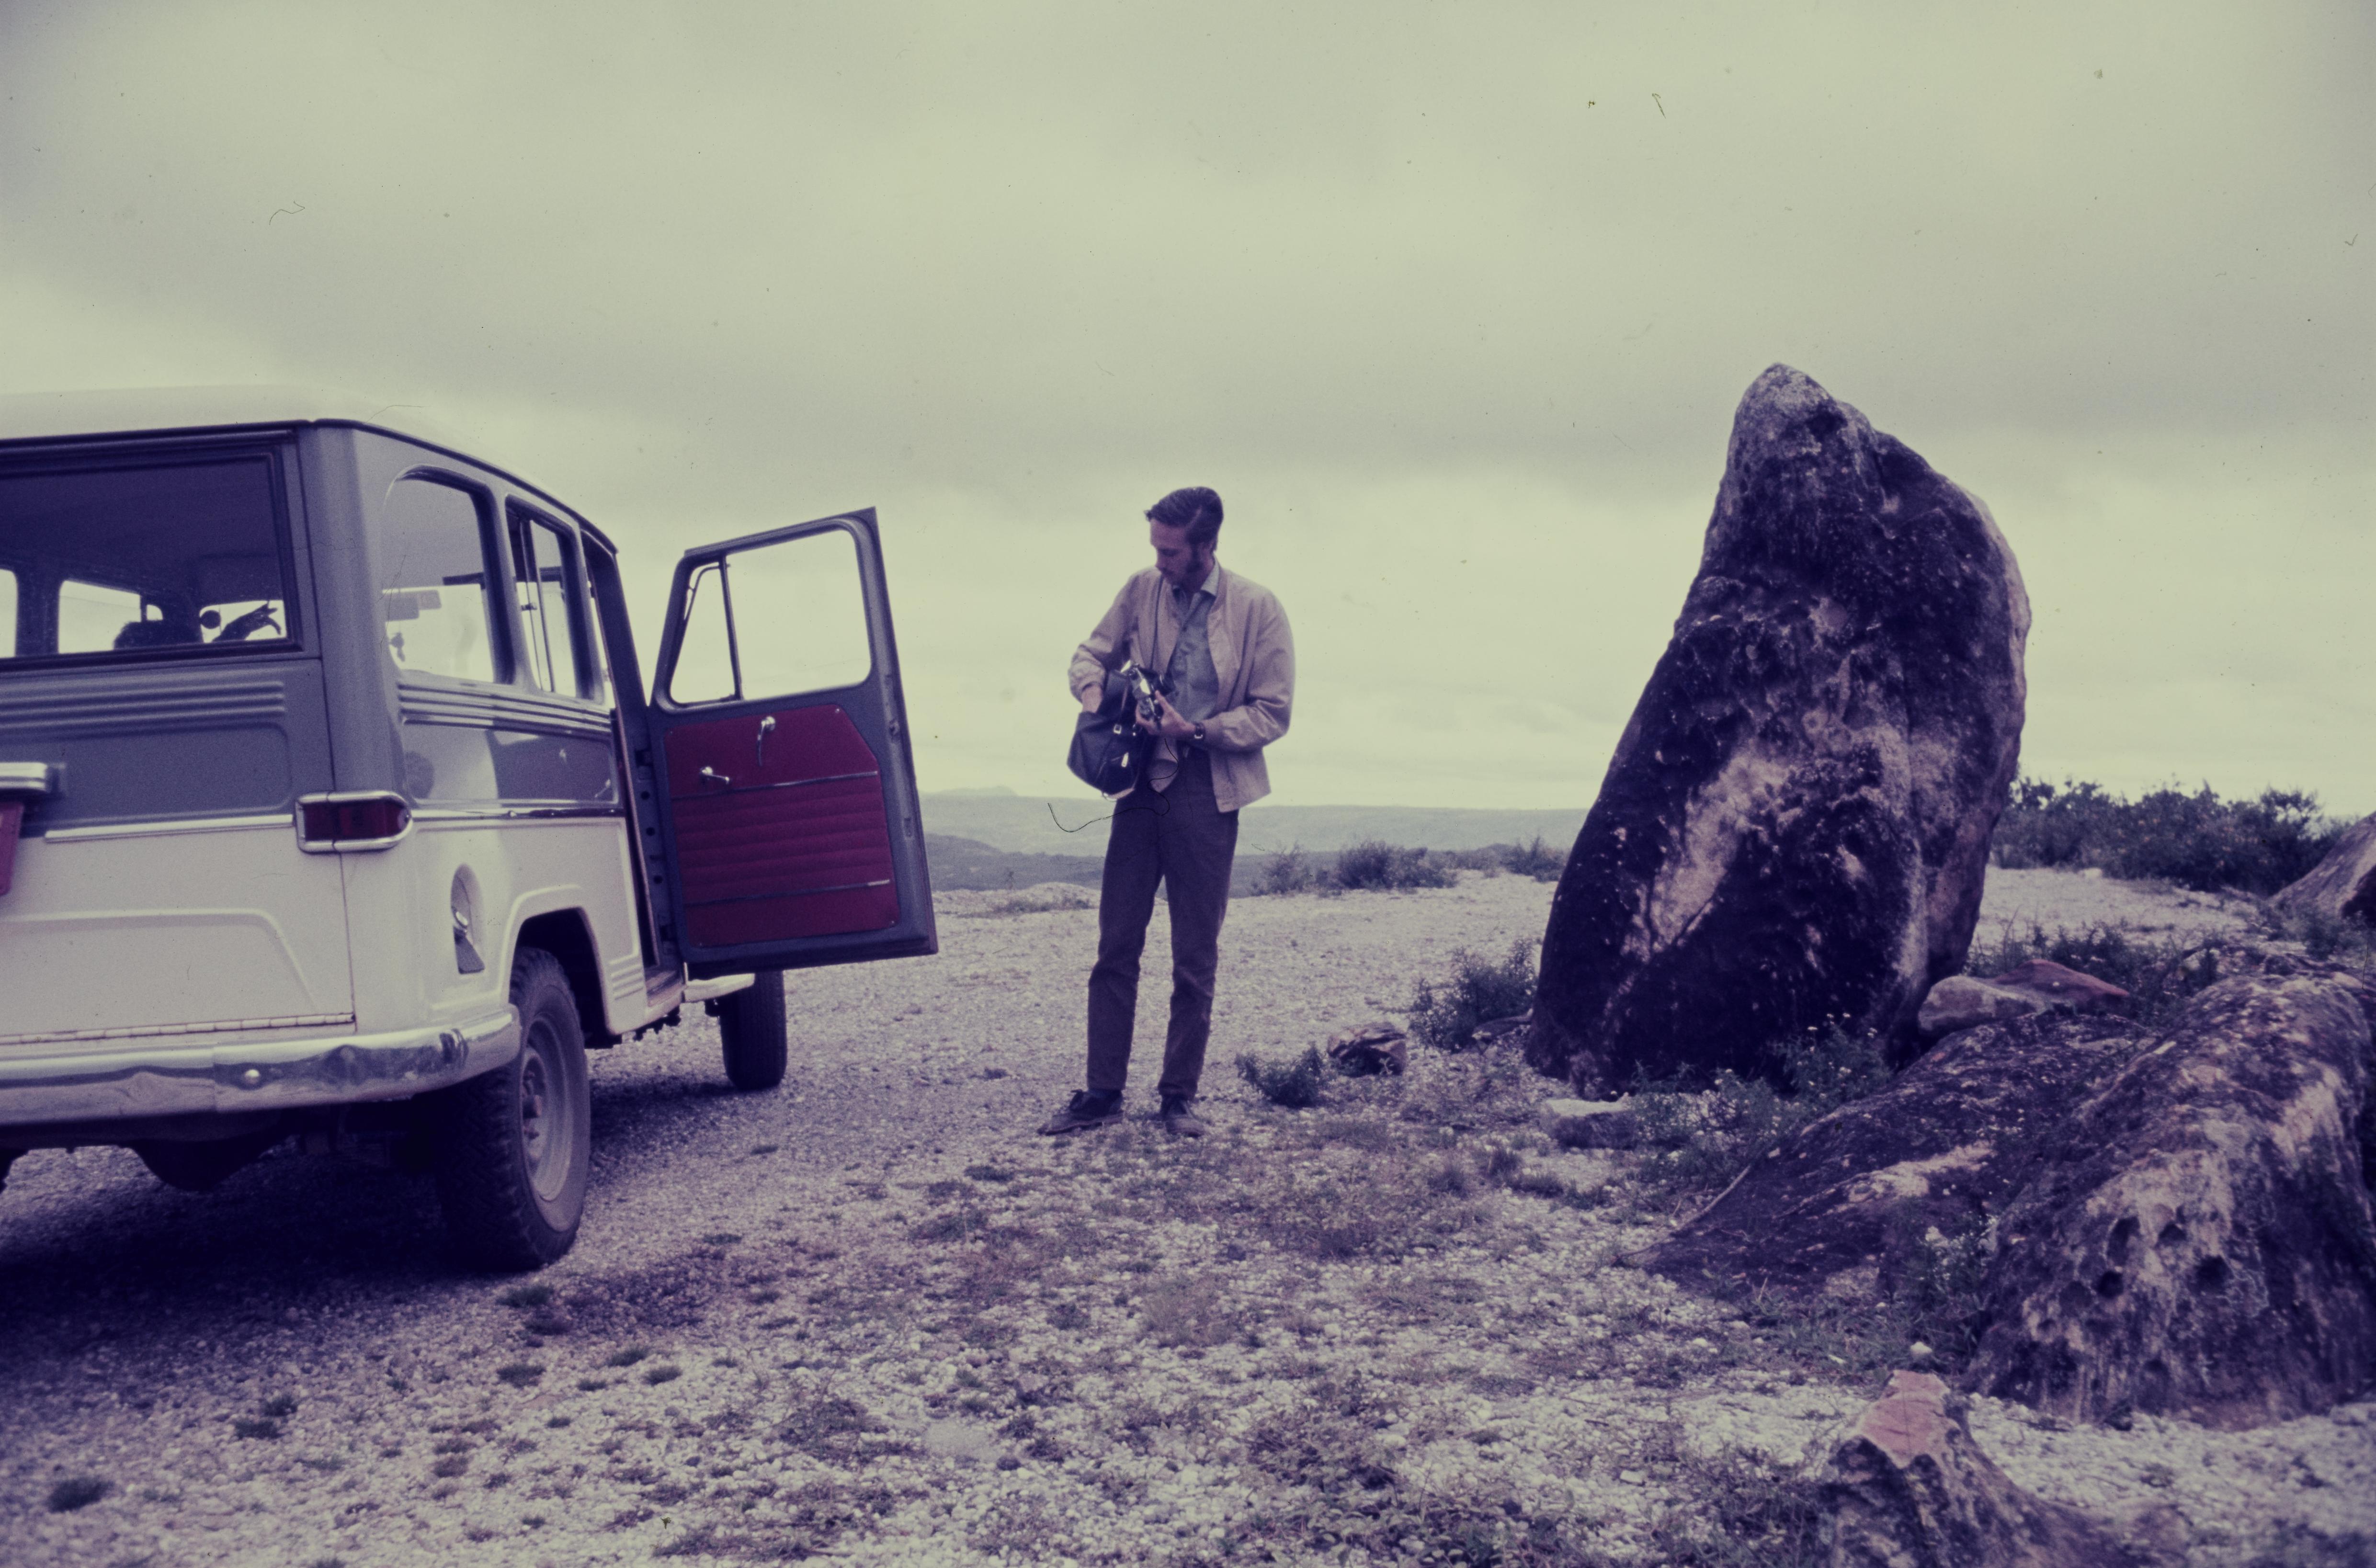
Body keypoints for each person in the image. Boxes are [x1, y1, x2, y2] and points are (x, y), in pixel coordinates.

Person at [1038, 487, 1294, 1138]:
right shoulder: (1140, 588)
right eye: (1153, 546)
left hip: (1209, 793)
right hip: (1139, 790)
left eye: (1170, 550)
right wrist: (1099, 695)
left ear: (1207, 546)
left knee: (1193, 954)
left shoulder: (1258, 608)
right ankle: (1101, 1092)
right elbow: (1087, 654)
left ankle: (1178, 1097)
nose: (1157, 561)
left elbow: (1273, 711)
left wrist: (1196, 730)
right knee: (1115, 944)